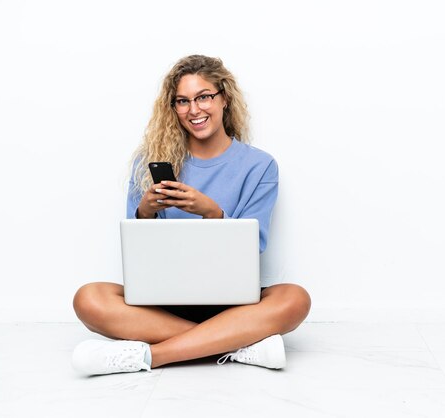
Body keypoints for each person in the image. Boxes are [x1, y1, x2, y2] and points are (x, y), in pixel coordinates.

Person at [71, 55, 311, 375]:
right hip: (162, 301)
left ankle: (150, 356)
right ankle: (239, 345)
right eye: (182, 101)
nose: (194, 110)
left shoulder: (260, 166)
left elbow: (255, 245)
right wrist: (145, 213)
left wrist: (212, 213)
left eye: (204, 97)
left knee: (295, 298)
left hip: (233, 303)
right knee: (88, 298)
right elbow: (138, 251)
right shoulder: (149, 162)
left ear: (224, 98)